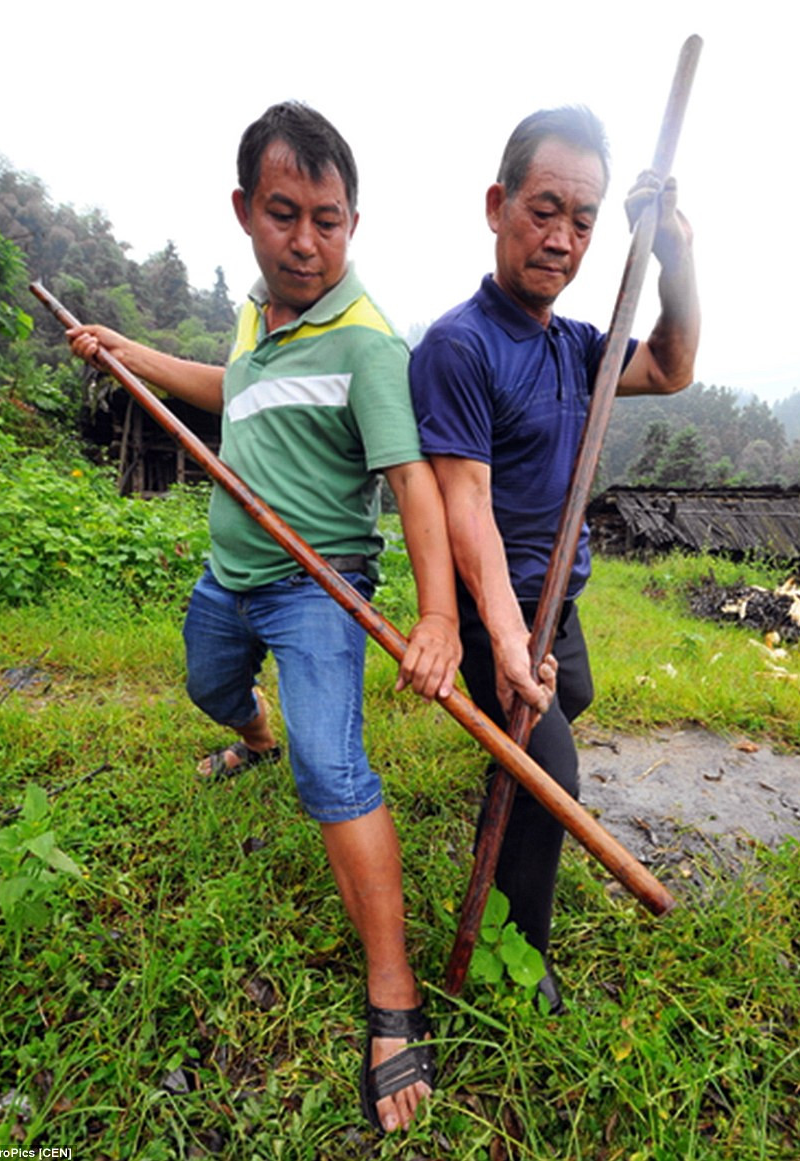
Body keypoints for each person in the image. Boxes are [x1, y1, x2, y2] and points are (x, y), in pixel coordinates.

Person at [67, 102, 461, 1134]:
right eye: (284, 214)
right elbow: (233, 391)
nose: (305, 242)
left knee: (330, 773)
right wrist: (129, 352)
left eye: (327, 220)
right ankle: (250, 734)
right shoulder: (256, 315)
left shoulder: (369, 343)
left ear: (353, 222)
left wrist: (437, 617)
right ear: (244, 210)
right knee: (207, 687)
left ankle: (392, 996)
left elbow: (412, 483)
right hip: (226, 575)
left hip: (317, 588)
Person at [409, 105, 700, 1011]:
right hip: (500, 601)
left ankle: (509, 747)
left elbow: (673, 364)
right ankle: (517, 957)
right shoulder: (459, 345)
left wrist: (675, 260)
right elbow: (468, 509)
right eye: (544, 209)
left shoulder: (579, 347)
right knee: (549, 779)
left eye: (583, 219)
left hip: (558, 608)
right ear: (497, 206)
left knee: (565, 703)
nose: (563, 238)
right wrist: (500, 636)